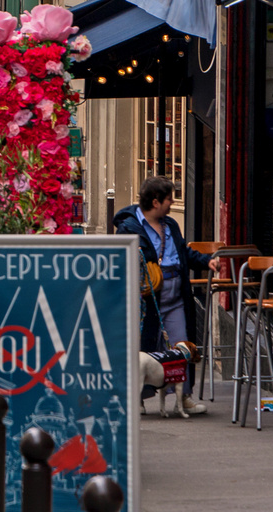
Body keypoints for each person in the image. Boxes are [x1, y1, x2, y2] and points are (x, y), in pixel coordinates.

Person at [113, 175, 213, 416]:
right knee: (143, 349)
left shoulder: (171, 225)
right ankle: (137, 398)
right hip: (148, 298)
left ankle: (184, 397)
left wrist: (207, 261)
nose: (172, 203)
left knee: (181, 346)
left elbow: (184, 252)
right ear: (155, 202)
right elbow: (119, 262)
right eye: (169, 199)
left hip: (176, 292)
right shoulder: (128, 228)